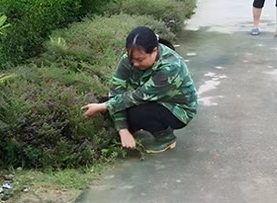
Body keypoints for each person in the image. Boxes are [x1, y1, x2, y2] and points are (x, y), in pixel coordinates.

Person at [81, 26, 198, 154]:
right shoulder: (128, 59)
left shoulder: (170, 67)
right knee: (104, 103)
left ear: (154, 51)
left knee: (135, 113)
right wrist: (123, 129)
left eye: (139, 59)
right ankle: (131, 128)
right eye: (132, 59)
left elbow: (137, 97)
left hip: (177, 109)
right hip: (148, 100)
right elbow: (116, 92)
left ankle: (166, 138)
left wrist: (105, 107)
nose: (135, 63)